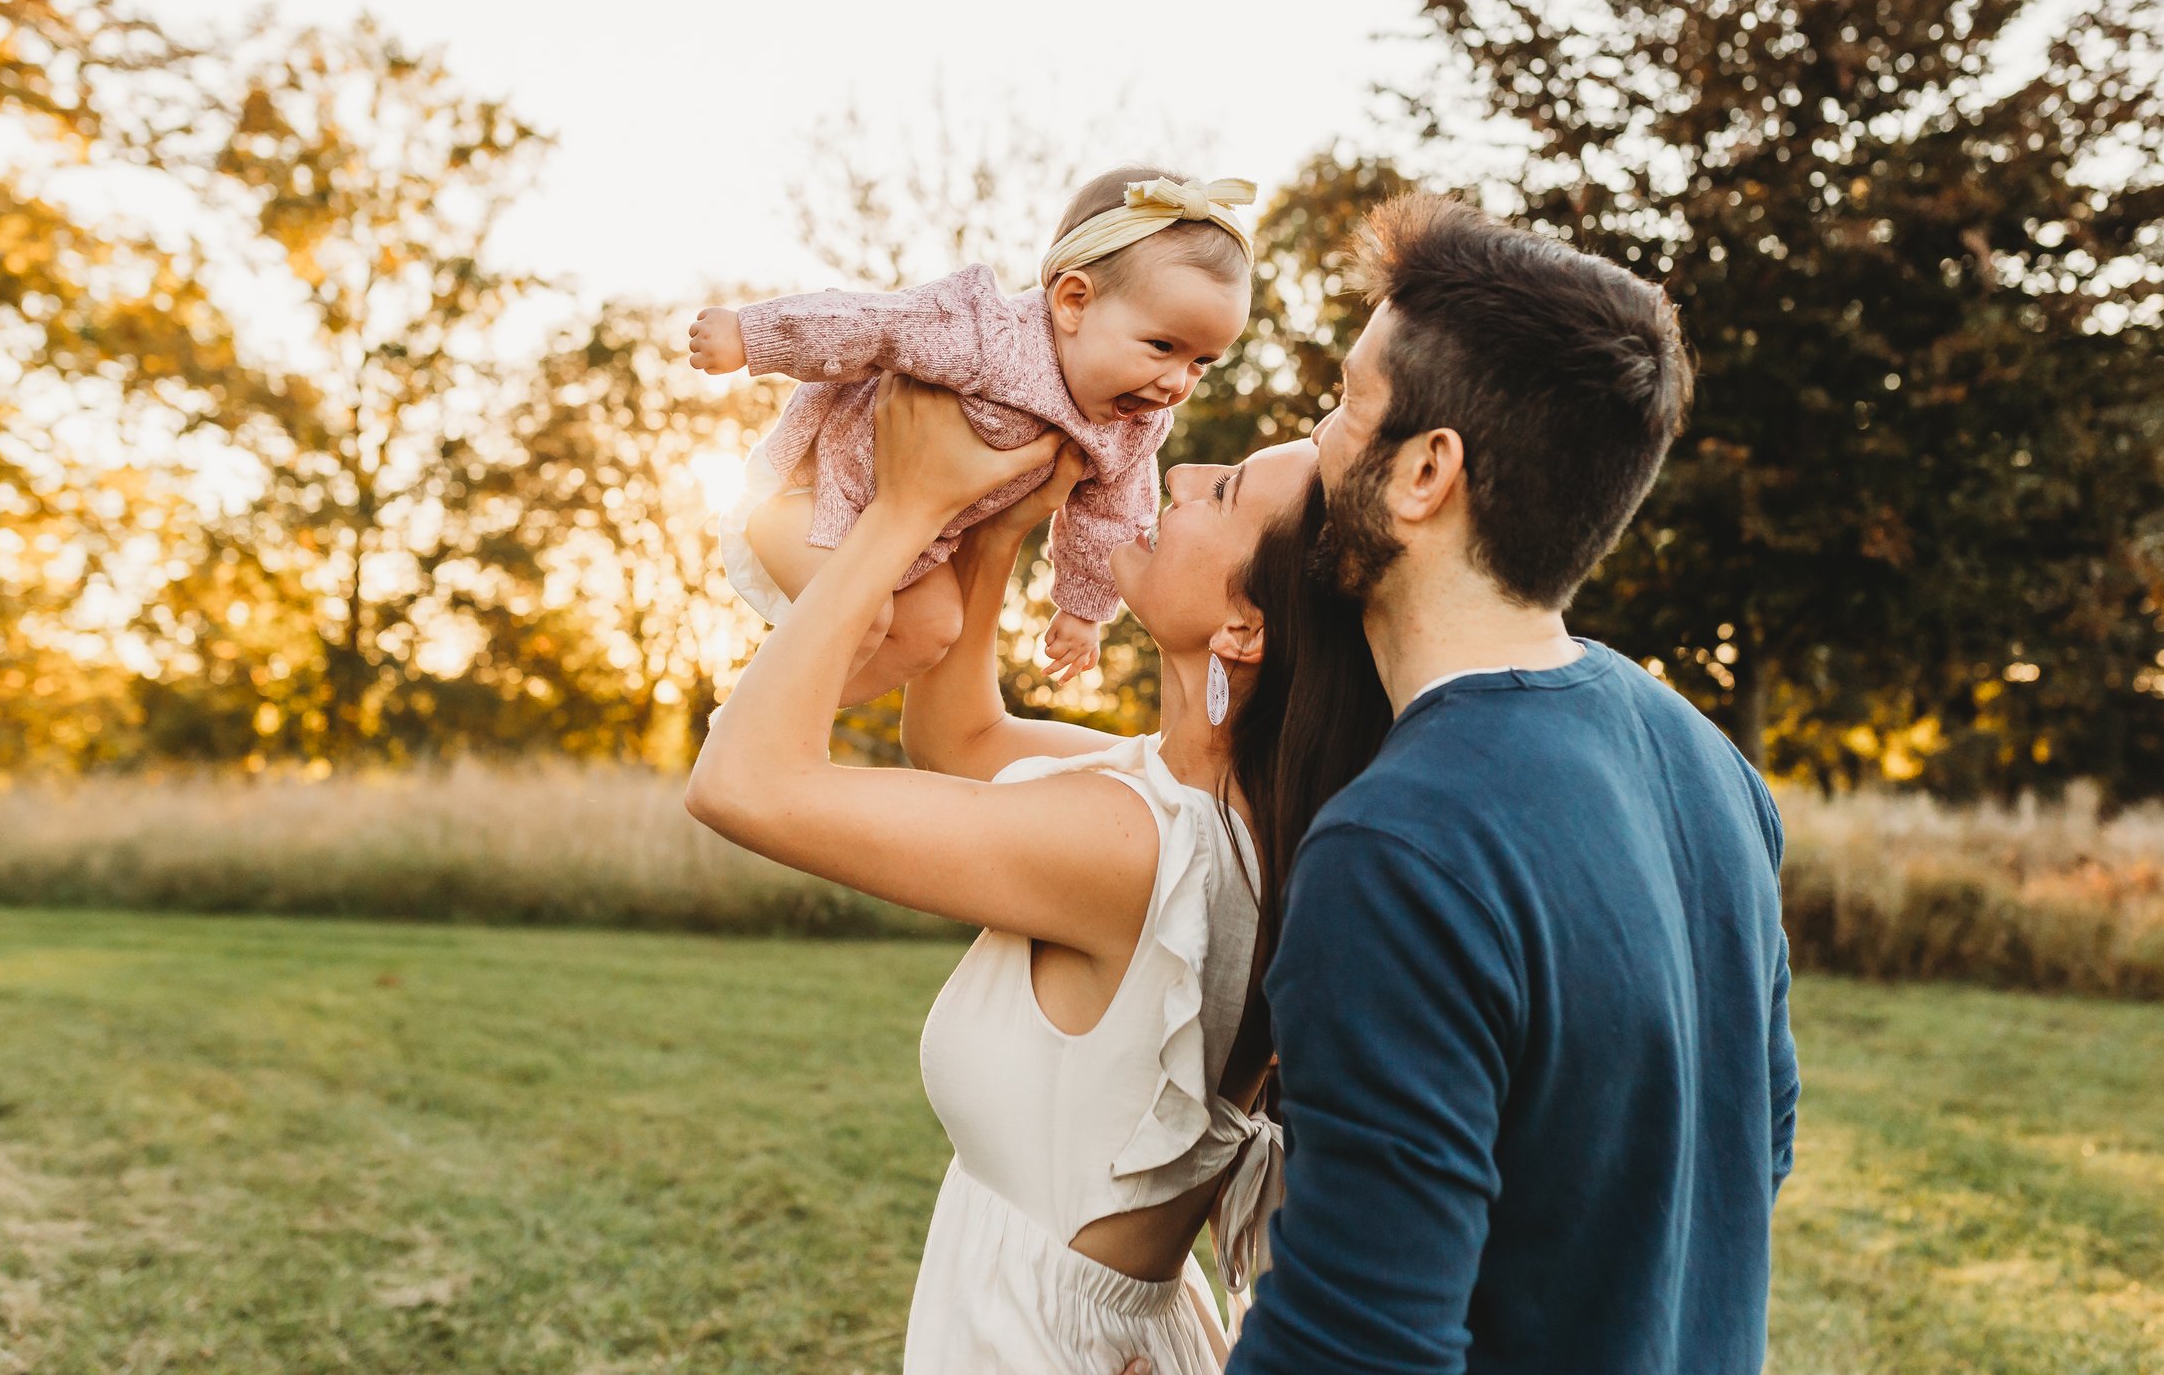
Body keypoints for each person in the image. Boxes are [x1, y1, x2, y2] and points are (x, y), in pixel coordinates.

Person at [1203, 194, 1800, 1375]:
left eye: (1346, 402)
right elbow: (1750, 1143)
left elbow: (1356, 1348)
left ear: (1427, 469)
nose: (1320, 437)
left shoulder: (1399, 845)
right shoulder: (1708, 761)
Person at [684, 375, 1388, 1374]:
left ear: (1245, 628)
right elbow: (956, 733)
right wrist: (996, 525)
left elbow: (742, 782)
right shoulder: (1200, 808)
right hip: (1088, 1327)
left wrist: (907, 512)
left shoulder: (1128, 840)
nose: (1180, 471)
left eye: (1223, 492)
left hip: (1031, 1341)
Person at [685, 167, 1254, 704]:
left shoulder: (1133, 426)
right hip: (809, 501)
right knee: (866, 617)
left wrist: (1083, 608)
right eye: (1162, 346)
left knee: (934, 630)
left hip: (915, 545)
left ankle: (772, 721)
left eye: (1202, 361)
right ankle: (761, 730)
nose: (1177, 382)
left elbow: (1111, 517)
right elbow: (875, 325)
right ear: (1074, 302)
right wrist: (752, 335)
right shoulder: (987, 336)